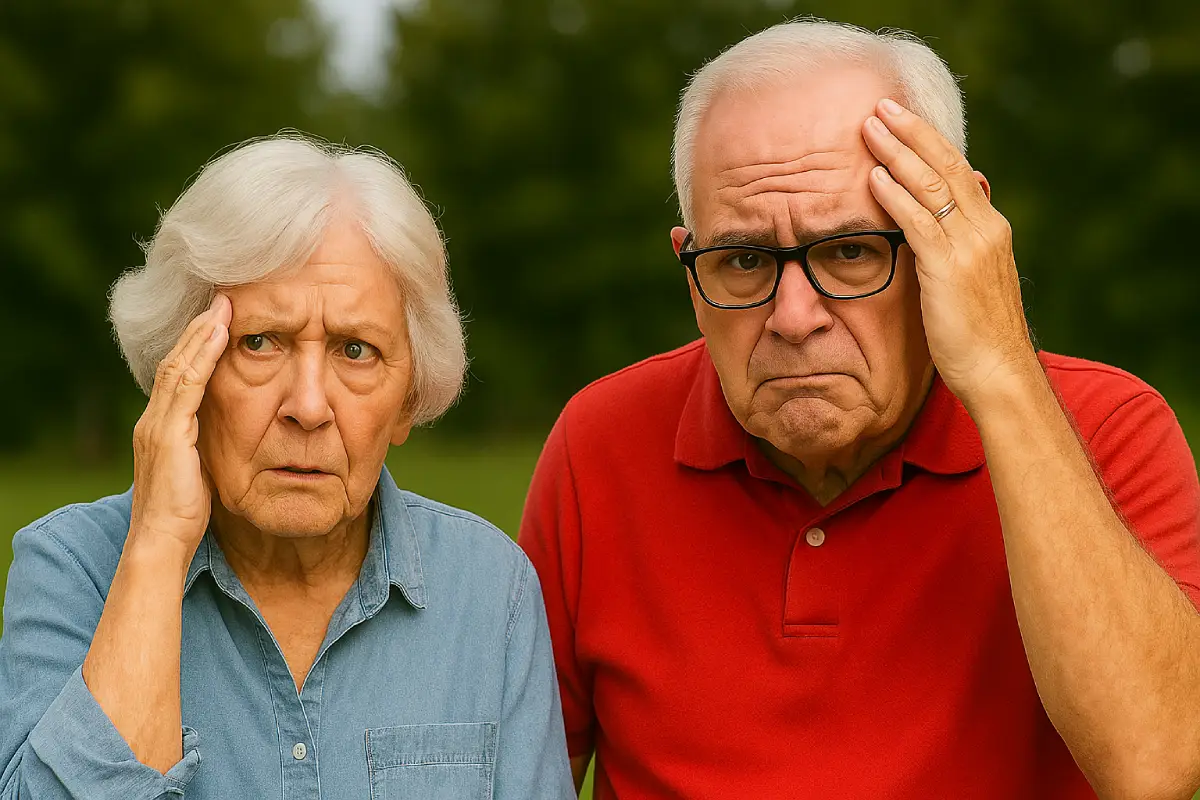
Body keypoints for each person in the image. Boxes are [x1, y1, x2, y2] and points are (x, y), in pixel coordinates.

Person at [519, 18, 1200, 800]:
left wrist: (1002, 378)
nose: (794, 316)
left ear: (954, 234)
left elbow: (1154, 768)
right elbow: (516, 781)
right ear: (688, 267)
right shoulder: (599, 444)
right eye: (742, 261)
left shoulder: (1109, 427)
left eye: (850, 251)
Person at [0, 134, 573, 799]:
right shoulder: (71, 569)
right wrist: (156, 550)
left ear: (406, 402)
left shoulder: (487, 589)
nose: (307, 406)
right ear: (183, 372)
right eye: (260, 342)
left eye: (355, 350)